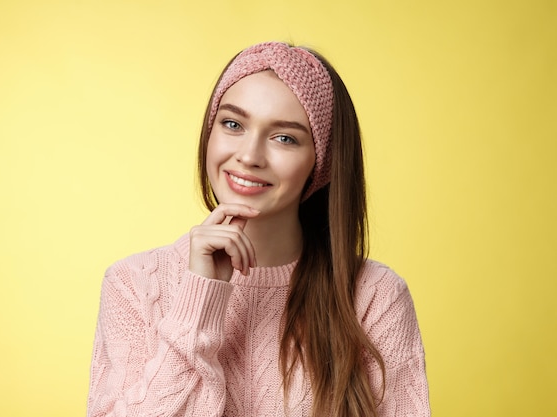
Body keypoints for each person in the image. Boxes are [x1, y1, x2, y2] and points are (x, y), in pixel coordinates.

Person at [87, 41, 430, 417]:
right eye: (233, 124)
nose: (249, 156)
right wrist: (198, 304)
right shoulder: (132, 285)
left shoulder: (374, 297)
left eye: (284, 137)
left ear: (322, 161)